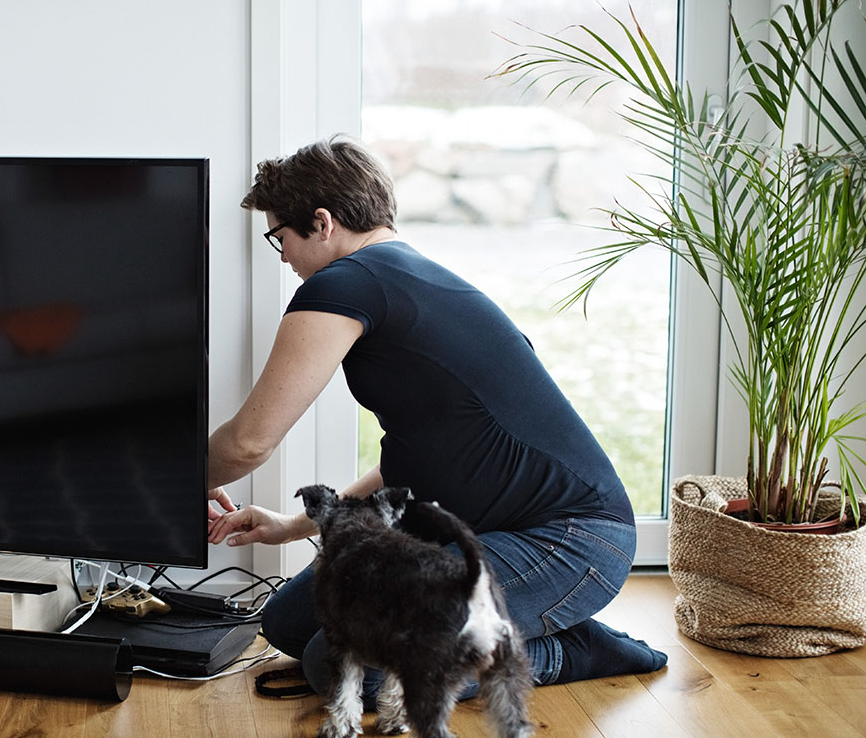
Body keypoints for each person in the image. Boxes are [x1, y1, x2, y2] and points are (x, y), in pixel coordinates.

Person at [206, 136, 667, 703]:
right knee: (288, 622)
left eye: (280, 236)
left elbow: (251, 442)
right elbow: (420, 451)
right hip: (478, 533)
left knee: (345, 669)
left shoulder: (346, 283)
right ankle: (513, 621)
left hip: (566, 540)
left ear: (322, 222)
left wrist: (160, 486)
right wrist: (296, 524)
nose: (281, 256)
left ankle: (563, 648)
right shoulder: (405, 276)